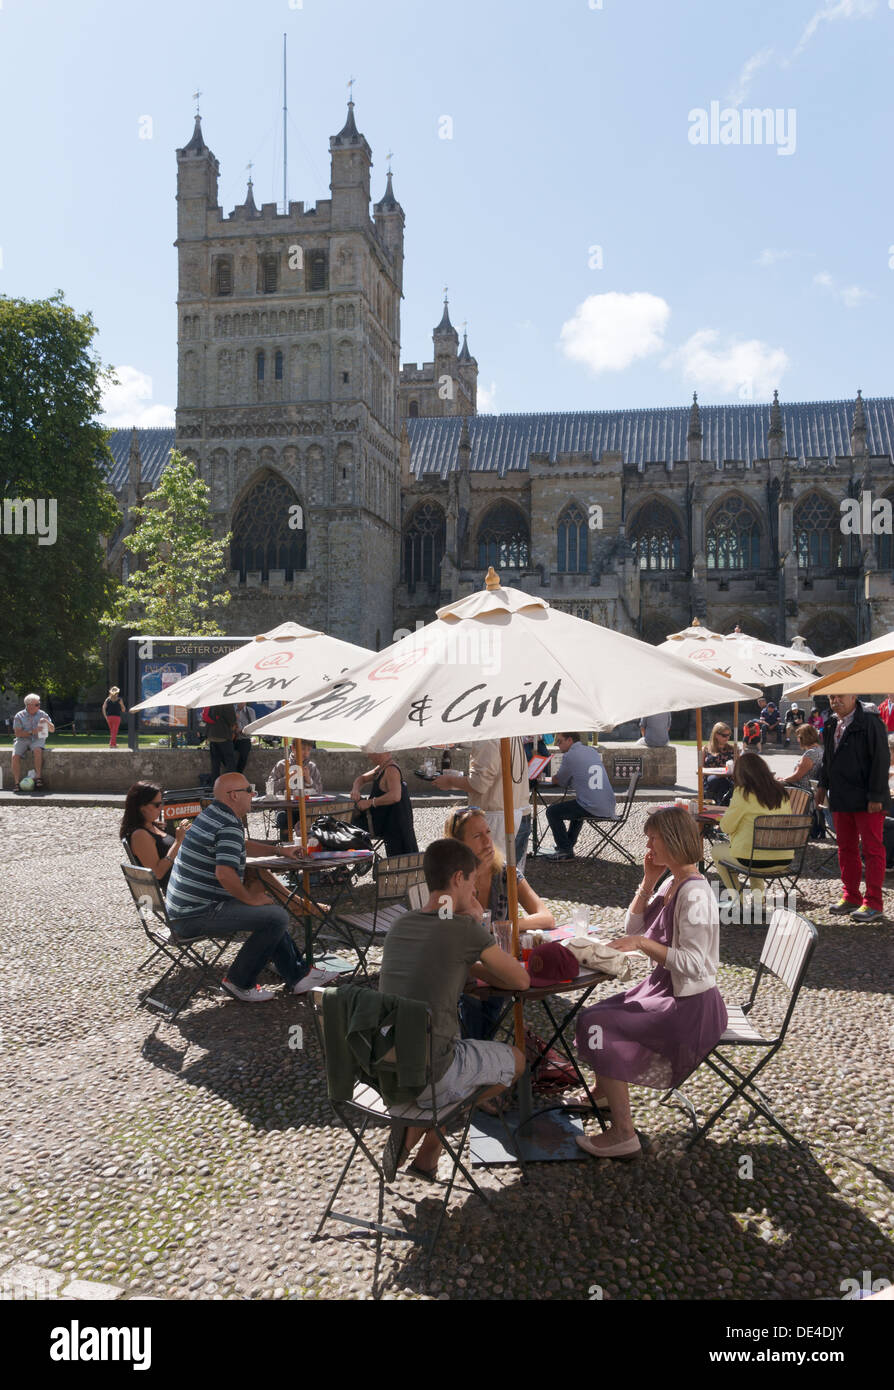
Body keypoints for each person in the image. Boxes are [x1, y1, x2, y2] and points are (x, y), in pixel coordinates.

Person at [574, 807, 727, 1159]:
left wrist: (644, 946)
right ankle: (604, 1090)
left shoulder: (695, 894)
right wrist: (647, 881)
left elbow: (694, 963)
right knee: (595, 1013)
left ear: (673, 840)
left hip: (689, 1005)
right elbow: (634, 928)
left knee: (597, 1023)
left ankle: (624, 1134)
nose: (647, 845)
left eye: (653, 838)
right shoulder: (675, 883)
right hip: (665, 990)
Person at [378, 837, 529, 1181]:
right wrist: (476, 923)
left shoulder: (401, 925)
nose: (476, 890)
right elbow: (519, 981)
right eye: (474, 881)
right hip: (434, 1071)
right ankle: (423, 1135)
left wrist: (469, 957)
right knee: (517, 1061)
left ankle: (427, 1153)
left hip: (386, 1065)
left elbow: (441, 964)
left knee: (455, 1051)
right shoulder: (462, 928)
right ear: (458, 878)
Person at [164, 772, 340, 1000]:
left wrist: (279, 850)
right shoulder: (228, 824)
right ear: (234, 795)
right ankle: (239, 982)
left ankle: (299, 975)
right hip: (195, 915)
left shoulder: (211, 814)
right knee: (274, 917)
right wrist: (249, 899)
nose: (253, 795)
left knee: (267, 911)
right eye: (249, 790)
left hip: (182, 911)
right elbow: (225, 873)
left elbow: (241, 845)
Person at [445, 806, 555, 1040]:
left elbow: (546, 916)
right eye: (477, 836)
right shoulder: (449, 879)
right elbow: (444, 926)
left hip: (497, 965)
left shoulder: (505, 872)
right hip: (463, 967)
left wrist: (508, 926)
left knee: (503, 988)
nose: (487, 841)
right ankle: (480, 1054)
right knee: (472, 998)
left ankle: (482, 1054)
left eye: (487, 832)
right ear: (458, 845)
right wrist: (472, 878)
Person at [815, 693, 891, 922]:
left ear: (853, 695)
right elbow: (827, 758)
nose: (835, 700)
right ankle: (851, 896)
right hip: (841, 797)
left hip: (868, 799)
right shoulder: (830, 722)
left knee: (872, 849)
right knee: (845, 849)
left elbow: (881, 758)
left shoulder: (870, 721)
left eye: (840, 696)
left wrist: (876, 795)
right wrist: (822, 784)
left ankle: (874, 903)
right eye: (831, 697)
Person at [434, 737, 532, 872]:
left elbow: (479, 784)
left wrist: (450, 781)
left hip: (500, 818)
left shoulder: (487, 738)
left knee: (494, 876)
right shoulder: (511, 734)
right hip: (518, 812)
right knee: (511, 877)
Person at [710, 752, 795, 907]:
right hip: (784, 858)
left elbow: (726, 827)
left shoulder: (743, 793)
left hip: (753, 860)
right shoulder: (781, 792)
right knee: (754, 848)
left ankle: (738, 901)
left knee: (717, 851)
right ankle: (758, 901)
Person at [543, 733, 616, 861]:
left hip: (593, 806)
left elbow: (558, 780)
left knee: (552, 811)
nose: (557, 745)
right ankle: (568, 844)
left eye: (559, 741)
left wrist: (542, 778)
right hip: (609, 805)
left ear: (570, 740)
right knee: (577, 806)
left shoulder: (570, 755)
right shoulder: (591, 751)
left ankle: (565, 850)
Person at [120, 781, 188, 884]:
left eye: (161, 803)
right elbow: (157, 873)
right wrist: (178, 842)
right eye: (157, 805)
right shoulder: (140, 835)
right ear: (141, 807)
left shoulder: (152, 825)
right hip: (177, 886)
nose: (161, 808)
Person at [351, 751, 418, 855]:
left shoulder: (391, 770)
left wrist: (370, 802)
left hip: (382, 823)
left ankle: (357, 858)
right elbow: (362, 779)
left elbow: (395, 796)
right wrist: (355, 789)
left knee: (347, 827)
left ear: (381, 752)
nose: (368, 755)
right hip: (380, 820)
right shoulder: (382, 767)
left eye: (371, 752)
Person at [271, 741, 323, 836]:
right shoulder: (282, 765)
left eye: (308, 750)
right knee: (283, 818)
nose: (305, 753)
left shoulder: (311, 767)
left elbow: (319, 791)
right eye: (302, 749)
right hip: (285, 808)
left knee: (313, 819)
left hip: (307, 808)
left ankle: (307, 845)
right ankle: (286, 846)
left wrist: (308, 779)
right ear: (293, 748)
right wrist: (286, 779)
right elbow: (270, 788)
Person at [12, 694, 55, 792]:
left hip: (37, 739)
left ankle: (38, 778)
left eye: (39, 704)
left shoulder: (42, 714)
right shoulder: (19, 715)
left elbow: (52, 730)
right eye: (36, 704)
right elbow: (17, 733)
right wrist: (32, 731)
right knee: (15, 756)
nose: (39, 706)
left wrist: (47, 722)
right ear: (28, 705)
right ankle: (16, 783)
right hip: (22, 738)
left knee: (37, 750)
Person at [204, 705, 251, 778]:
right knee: (230, 762)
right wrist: (236, 718)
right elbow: (231, 720)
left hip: (211, 736)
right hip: (223, 736)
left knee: (215, 763)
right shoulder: (227, 704)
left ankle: (214, 785)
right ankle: (232, 783)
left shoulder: (213, 703)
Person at [780, 724, 824, 794]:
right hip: (806, 789)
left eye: (798, 737)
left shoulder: (811, 753)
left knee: (772, 785)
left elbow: (797, 776)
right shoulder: (819, 750)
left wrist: (783, 780)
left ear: (804, 738)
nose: (798, 740)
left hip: (802, 790)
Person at [701, 722, 737, 806]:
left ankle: (720, 805)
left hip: (729, 778)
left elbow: (739, 767)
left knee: (726, 783)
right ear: (716, 735)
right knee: (718, 780)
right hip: (711, 779)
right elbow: (700, 769)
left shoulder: (733, 749)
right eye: (724, 735)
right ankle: (722, 805)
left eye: (729, 735)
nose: (727, 738)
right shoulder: (705, 749)